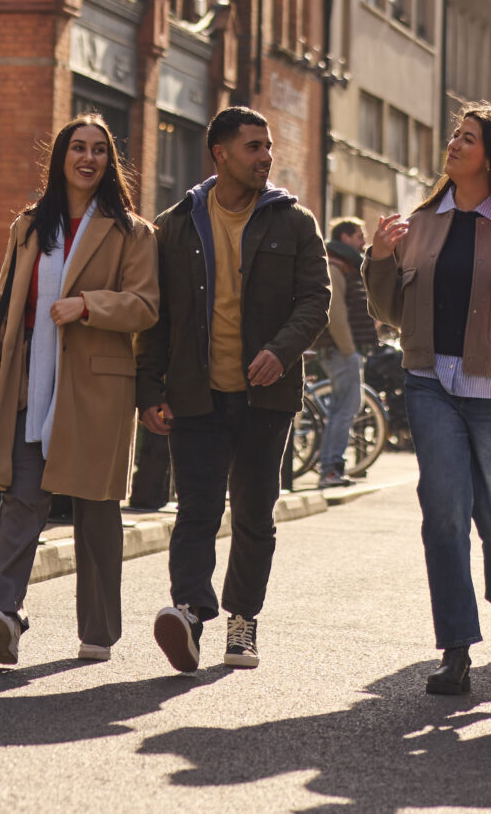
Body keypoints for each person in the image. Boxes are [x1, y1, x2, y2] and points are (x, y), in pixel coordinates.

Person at [138, 107, 330, 674]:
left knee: (253, 514)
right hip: (196, 391)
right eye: (253, 147)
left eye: (267, 147)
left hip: (263, 397)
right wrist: (150, 390)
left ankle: (243, 620)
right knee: (195, 509)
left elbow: (315, 300)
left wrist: (281, 350)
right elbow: (159, 315)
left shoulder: (293, 220)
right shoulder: (175, 224)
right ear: (219, 153)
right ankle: (192, 612)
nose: (265, 157)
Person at [0, 116, 159, 665]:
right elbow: (3, 302)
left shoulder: (133, 232)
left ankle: (98, 631)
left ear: (110, 162)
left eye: (99, 150)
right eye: (78, 148)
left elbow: (146, 306)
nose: (88, 158)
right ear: (61, 157)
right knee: (22, 499)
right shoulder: (30, 225)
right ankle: (2, 612)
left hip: (98, 387)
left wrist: (89, 305)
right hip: (30, 382)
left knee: (96, 511)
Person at [366, 107, 491, 696]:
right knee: (442, 515)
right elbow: (392, 312)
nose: (453, 144)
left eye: (467, 138)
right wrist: (380, 257)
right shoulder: (421, 221)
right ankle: (456, 648)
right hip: (429, 383)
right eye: (453, 135)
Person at [313, 217, 375, 489]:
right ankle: (330, 469)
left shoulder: (345, 266)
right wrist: (349, 350)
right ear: (346, 237)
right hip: (340, 351)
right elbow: (335, 314)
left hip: (341, 350)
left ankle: (330, 467)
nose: (363, 241)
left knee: (343, 407)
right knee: (345, 408)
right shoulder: (335, 267)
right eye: (359, 235)